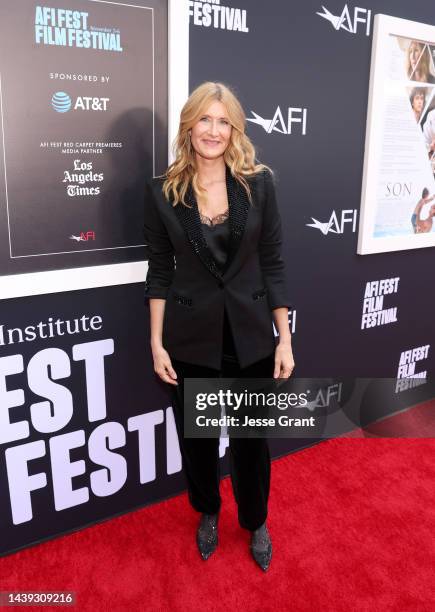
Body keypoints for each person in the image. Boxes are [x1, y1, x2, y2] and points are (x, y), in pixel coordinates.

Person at [143, 81, 294, 572]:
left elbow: (272, 262)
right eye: (204, 120)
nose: (213, 130)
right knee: (199, 440)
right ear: (189, 125)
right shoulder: (163, 191)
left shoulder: (260, 183)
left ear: (235, 129)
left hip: (250, 335)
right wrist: (156, 342)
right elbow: (160, 271)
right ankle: (207, 510)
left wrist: (284, 336)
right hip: (190, 339)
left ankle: (256, 521)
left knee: (252, 442)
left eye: (222, 121)